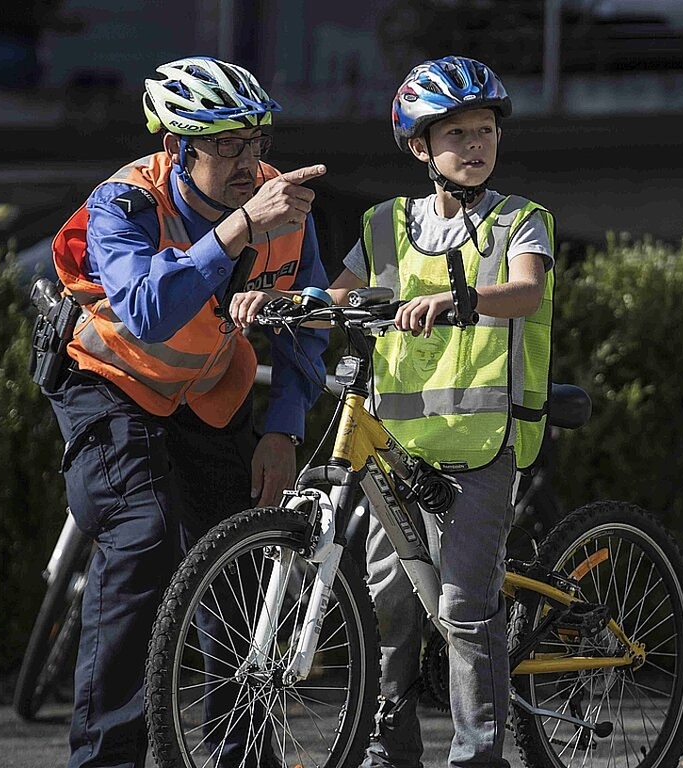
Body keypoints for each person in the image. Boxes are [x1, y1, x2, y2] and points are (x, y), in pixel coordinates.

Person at [230, 55, 555, 768]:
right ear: (419, 148)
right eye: (457, 134)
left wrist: (460, 299)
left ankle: (477, 757)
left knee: (465, 611)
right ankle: (389, 749)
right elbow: (337, 299)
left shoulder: (522, 222)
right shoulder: (384, 226)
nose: (476, 145)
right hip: (396, 446)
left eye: (485, 131)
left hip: (479, 442)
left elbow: (525, 290)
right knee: (390, 602)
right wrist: (279, 304)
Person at [39, 56, 329, 768]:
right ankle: (107, 759)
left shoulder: (281, 205)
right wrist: (234, 230)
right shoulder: (125, 204)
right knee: (144, 538)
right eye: (226, 143)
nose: (249, 161)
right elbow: (145, 314)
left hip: (206, 391)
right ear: (177, 147)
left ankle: (241, 756)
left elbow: (307, 318)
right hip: (108, 382)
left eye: (256, 140)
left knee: (244, 557)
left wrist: (284, 429)